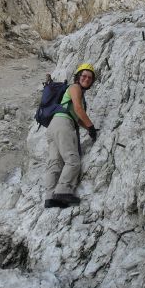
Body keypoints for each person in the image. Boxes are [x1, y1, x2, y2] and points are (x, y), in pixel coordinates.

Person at [43, 63, 98, 208]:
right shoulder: (75, 88)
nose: (86, 79)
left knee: (55, 162)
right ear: (78, 77)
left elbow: (78, 118)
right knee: (73, 160)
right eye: (84, 76)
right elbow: (79, 110)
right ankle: (62, 191)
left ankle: (50, 198)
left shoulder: (74, 91)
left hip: (54, 125)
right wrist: (92, 127)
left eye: (89, 77)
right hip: (63, 124)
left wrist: (88, 129)